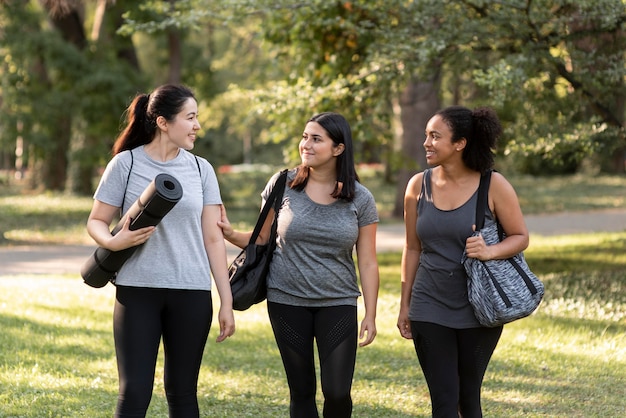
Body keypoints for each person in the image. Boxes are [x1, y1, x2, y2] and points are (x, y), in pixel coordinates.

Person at [86, 84, 235, 417]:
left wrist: (226, 300)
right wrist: (112, 242)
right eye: (190, 117)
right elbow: (96, 220)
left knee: (183, 394)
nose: (197, 126)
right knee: (134, 393)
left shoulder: (202, 169)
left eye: (198, 117)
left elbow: (213, 239)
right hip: (137, 291)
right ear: (163, 122)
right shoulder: (125, 164)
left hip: (192, 293)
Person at [219, 112, 380, 417]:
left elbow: (369, 262)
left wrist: (370, 314)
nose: (306, 144)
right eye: (305, 136)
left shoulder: (360, 198)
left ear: (338, 148)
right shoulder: (283, 184)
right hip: (286, 301)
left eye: (316, 139)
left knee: (337, 391)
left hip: (338, 302)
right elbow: (262, 239)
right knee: (302, 390)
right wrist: (229, 233)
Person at [396, 105, 529, 417]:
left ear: (460, 143)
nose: (426, 143)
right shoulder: (418, 185)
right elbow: (412, 248)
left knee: (468, 399)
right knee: (443, 401)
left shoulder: (493, 184)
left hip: (479, 309)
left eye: (435, 136)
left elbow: (520, 236)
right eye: (426, 135)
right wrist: (405, 305)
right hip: (429, 305)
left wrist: (489, 251)